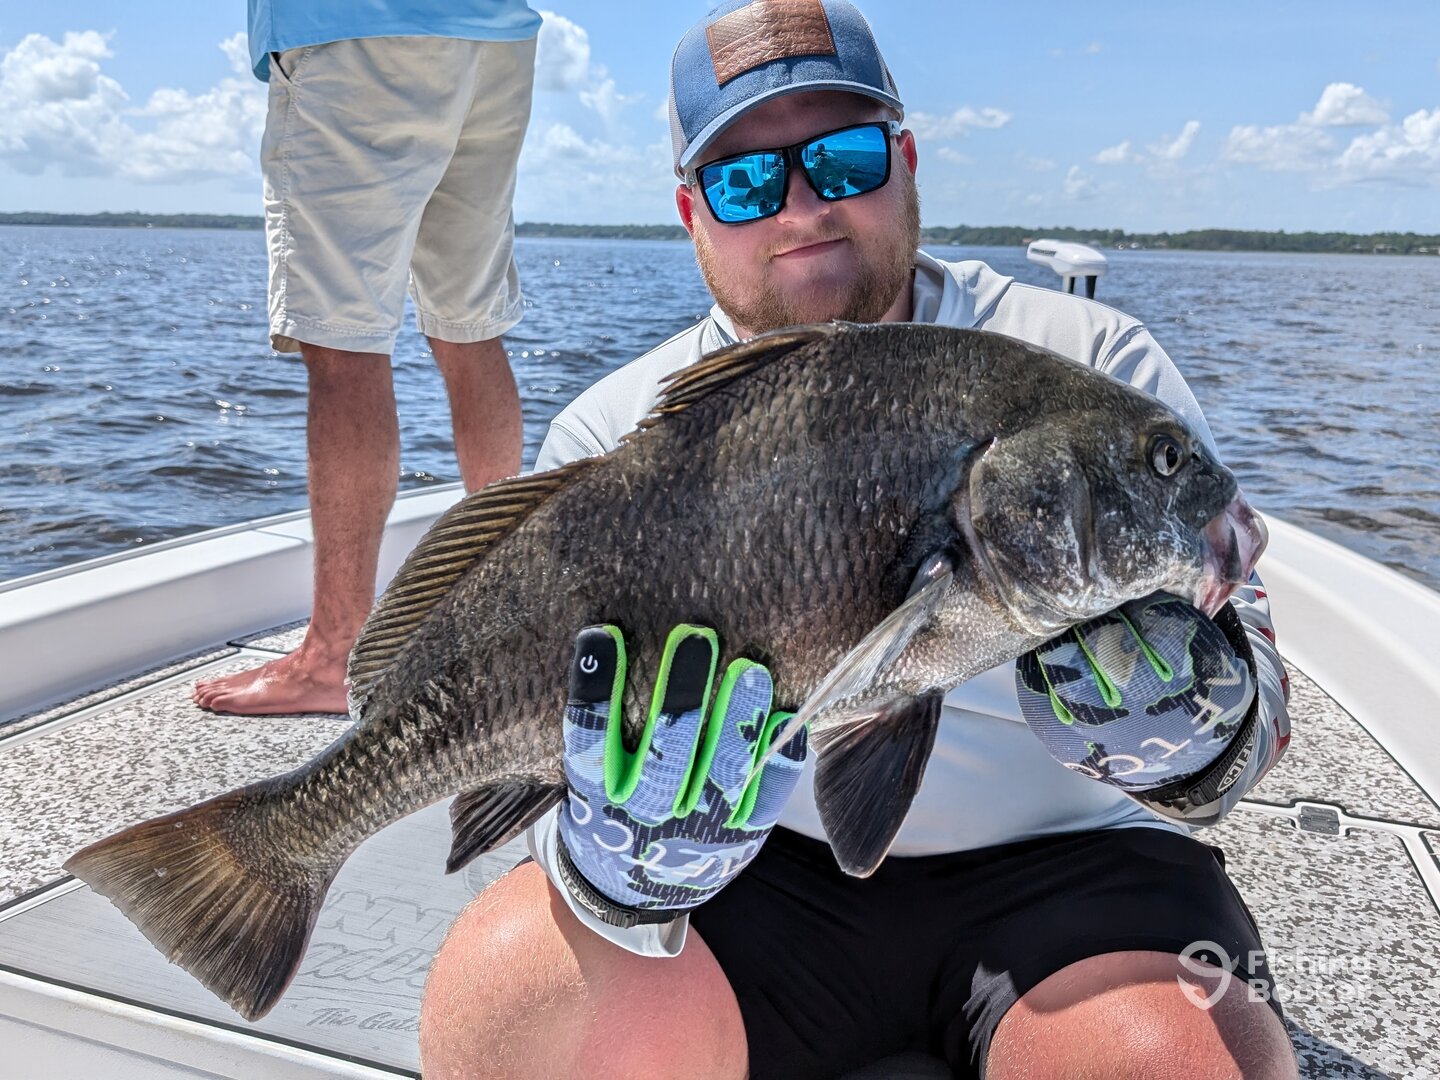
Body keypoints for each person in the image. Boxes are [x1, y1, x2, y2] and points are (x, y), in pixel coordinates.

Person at [418, 2, 1296, 1077]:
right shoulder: (613, 437)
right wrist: (619, 870)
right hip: (747, 873)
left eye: (843, 158)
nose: (802, 208)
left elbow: (1260, 709)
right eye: (745, 180)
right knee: (510, 1004)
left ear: (905, 161)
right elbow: (533, 746)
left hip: (1079, 871)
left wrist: (1203, 734)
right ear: (692, 212)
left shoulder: (1092, 361)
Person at [193, 1, 541, 715]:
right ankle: (508, 620)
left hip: (352, 29)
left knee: (343, 343)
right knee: (470, 329)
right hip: (493, 35)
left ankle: (335, 655)